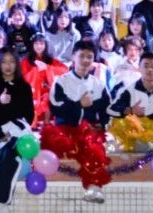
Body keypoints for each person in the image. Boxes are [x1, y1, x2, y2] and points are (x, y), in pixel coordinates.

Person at [43, 41, 111, 203]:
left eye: (90, 57)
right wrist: (78, 104)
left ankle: (94, 187)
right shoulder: (61, 82)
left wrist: (102, 123)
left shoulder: (99, 85)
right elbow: (56, 108)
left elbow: (107, 110)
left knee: (93, 146)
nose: (85, 60)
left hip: (89, 132)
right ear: (73, 57)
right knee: (52, 141)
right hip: (64, 130)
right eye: (82, 56)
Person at [0, 49, 33, 213]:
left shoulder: (24, 87)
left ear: (17, 64)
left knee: (7, 157)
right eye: (4, 62)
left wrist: (10, 126)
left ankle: (2, 203)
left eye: (11, 61)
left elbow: (29, 116)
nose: (8, 66)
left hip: (14, 134)